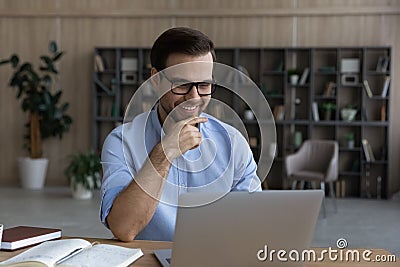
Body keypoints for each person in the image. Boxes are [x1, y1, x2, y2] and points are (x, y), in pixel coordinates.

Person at [100, 27, 261, 242]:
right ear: (156, 80)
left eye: (204, 85)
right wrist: (164, 154)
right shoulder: (122, 142)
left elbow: (255, 224)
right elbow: (124, 228)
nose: (194, 97)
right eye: (182, 84)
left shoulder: (233, 143)